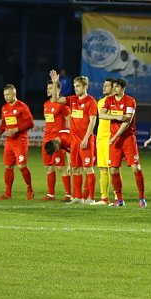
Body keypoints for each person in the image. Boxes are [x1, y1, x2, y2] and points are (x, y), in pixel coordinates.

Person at [101, 78, 147, 208]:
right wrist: (116, 117)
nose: (114, 89)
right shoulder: (109, 100)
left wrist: (114, 136)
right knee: (113, 170)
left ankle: (142, 198)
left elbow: (127, 122)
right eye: (113, 86)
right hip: (114, 140)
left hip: (127, 139)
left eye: (116, 87)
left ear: (122, 88)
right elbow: (102, 114)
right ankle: (119, 200)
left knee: (136, 168)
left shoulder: (130, 101)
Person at [0, 84, 35, 200]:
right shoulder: (4, 108)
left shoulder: (22, 106)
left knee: (21, 166)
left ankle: (30, 189)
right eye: (4, 95)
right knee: (8, 166)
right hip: (9, 142)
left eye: (8, 95)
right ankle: (7, 193)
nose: (6, 97)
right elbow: (3, 125)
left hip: (21, 140)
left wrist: (16, 129)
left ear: (14, 94)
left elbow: (30, 123)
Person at [65, 76, 98, 204]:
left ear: (85, 87)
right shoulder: (72, 100)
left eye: (78, 86)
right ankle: (78, 197)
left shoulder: (91, 101)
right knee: (75, 169)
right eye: (74, 86)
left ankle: (91, 198)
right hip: (74, 142)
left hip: (85, 141)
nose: (75, 88)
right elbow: (56, 99)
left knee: (88, 169)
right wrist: (56, 82)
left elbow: (92, 122)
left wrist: (85, 139)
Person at [41, 69, 72, 201]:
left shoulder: (62, 105)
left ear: (58, 90)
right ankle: (50, 194)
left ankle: (68, 194)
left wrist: (68, 135)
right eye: (48, 88)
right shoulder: (46, 104)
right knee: (49, 167)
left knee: (61, 167)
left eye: (51, 87)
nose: (49, 90)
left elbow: (69, 119)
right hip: (46, 139)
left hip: (57, 140)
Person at [94, 78, 115, 205]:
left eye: (107, 86)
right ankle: (104, 198)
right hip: (100, 138)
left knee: (113, 168)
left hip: (111, 138)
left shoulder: (115, 102)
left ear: (113, 88)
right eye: (104, 85)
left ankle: (118, 197)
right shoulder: (100, 102)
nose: (104, 87)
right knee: (102, 168)